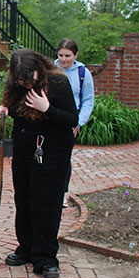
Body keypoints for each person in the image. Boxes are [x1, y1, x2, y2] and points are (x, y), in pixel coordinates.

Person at [0, 48, 77, 278]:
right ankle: (27, 249)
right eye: (20, 80)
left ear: (39, 70)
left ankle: (46, 258)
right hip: (24, 152)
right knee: (24, 201)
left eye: (29, 79)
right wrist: (5, 109)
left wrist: (47, 109)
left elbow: (72, 119)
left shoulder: (58, 83)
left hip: (52, 154)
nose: (25, 84)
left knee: (46, 206)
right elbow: (14, 105)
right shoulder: (18, 84)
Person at [55, 38, 94, 207]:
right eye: (61, 55)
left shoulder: (83, 74)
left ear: (75, 55)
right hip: (51, 120)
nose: (64, 59)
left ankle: (62, 192)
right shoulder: (50, 70)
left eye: (68, 55)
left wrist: (78, 123)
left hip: (71, 123)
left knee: (64, 159)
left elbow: (88, 101)